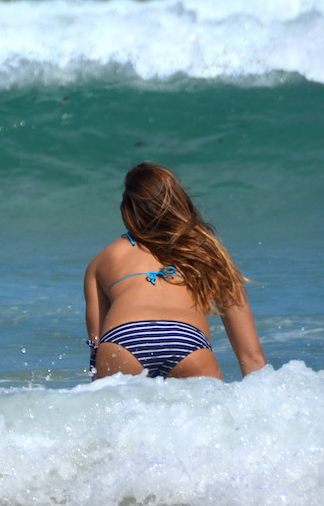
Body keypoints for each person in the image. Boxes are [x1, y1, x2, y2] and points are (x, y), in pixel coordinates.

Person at [83, 162, 266, 380]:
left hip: (123, 340)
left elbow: (96, 347)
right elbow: (252, 356)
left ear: (128, 211)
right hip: (185, 339)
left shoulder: (102, 260)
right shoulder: (206, 251)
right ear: (178, 202)